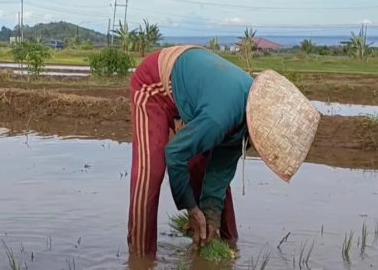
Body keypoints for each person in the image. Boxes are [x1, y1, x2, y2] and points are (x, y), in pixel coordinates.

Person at [128, 45, 320, 256]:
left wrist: (210, 216)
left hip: (201, 98)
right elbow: (174, 154)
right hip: (156, 85)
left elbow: (219, 172)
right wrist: (191, 208)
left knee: (201, 167)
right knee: (150, 172)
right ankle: (140, 259)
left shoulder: (244, 123)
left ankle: (225, 244)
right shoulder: (219, 118)